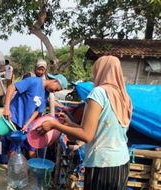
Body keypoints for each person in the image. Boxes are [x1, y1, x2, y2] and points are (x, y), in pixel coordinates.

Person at [37, 55, 133, 190]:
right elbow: (98, 132)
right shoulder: (124, 97)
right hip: (122, 163)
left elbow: (87, 135)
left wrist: (55, 125)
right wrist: (70, 124)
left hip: (102, 164)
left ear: (101, 71)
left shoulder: (99, 93)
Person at [3, 73, 68, 158]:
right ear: (55, 81)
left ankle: (31, 169)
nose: (54, 92)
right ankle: (12, 168)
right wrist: (6, 108)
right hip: (14, 118)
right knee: (14, 147)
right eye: (56, 89)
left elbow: (37, 111)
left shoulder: (46, 94)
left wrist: (27, 124)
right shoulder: (34, 81)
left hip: (26, 122)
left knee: (32, 147)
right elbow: (11, 87)